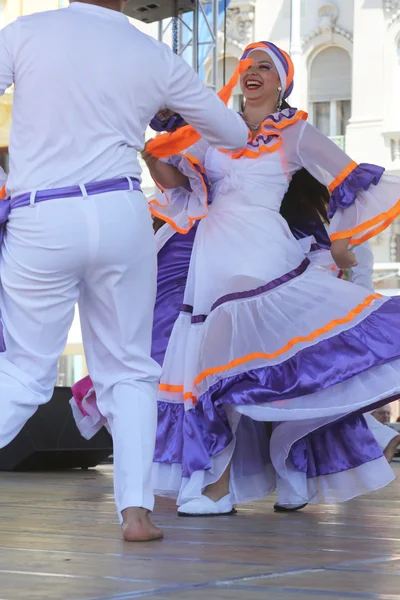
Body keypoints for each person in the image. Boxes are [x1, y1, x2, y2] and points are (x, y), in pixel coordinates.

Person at [72, 40, 400, 518]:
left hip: (263, 255)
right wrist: (152, 153)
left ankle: (226, 483)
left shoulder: (295, 133)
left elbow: (348, 178)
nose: (252, 71)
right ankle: (266, 474)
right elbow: (176, 183)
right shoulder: (213, 132)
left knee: (249, 362)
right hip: (213, 254)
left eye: (265, 66)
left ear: (282, 82)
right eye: (248, 64)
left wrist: (345, 241)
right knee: (230, 371)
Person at [0, 0, 249, 542]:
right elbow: (232, 132)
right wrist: (166, 114)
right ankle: (136, 514)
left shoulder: (27, 32)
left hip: (43, 212)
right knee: (130, 371)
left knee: (23, 372)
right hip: (119, 211)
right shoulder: (151, 52)